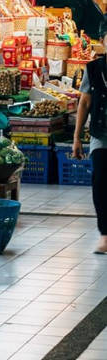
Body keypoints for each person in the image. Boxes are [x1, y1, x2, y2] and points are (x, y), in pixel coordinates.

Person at [73, 14, 107, 254]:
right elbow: (84, 103)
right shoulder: (94, 69)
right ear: (103, 41)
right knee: (101, 182)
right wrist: (77, 137)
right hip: (101, 134)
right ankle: (105, 235)